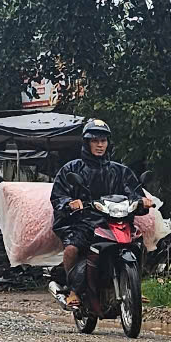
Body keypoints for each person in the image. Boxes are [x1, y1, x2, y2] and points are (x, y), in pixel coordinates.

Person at [50, 119, 142, 307]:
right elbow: (58, 195)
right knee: (71, 249)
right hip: (82, 222)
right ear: (86, 143)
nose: (100, 145)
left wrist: (142, 200)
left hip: (114, 220)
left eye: (103, 141)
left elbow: (134, 191)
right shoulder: (72, 169)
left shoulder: (120, 170)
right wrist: (70, 203)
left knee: (139, 243)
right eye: (95, 141)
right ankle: (73, 290)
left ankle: (134, 287)